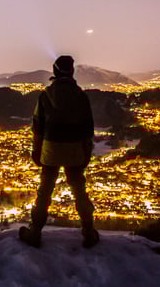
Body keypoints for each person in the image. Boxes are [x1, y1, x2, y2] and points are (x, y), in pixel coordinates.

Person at [19, 55, 99, 248]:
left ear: (54, 72)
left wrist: (36, 151)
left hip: (51, 149)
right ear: (72, 72)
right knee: (79, 191)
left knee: (44, 192)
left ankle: (35, 232)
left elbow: (37, 128)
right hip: (75, 150)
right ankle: (88, 232)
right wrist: (86, 152)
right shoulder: (81, 97)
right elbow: (88, 129)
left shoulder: (45, 96)